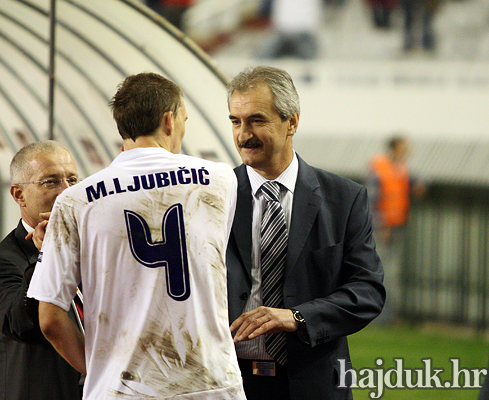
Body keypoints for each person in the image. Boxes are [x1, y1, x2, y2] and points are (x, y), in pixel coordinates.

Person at [27, 72, 246, 400]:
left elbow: (50, 319)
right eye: (184, 119)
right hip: (212, 386)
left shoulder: (75, 200)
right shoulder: (220, 178)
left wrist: (100, 370)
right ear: (169, 120)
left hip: (121, 390)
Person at [225, 66, 385, 399]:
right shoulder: (213, 196)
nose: (243, 135)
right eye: (235, 121)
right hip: (229, 383)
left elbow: (367, 291)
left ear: (292, 121)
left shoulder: (344, 198)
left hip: (314, 383)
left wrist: (297, 316)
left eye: (257, 120)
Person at [0, 140, 82, 400]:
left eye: (72, 179)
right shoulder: (2, 261)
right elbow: (23, 323)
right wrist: (47, 257)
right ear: (18, 194)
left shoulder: (90, 250)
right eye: (51, 181)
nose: (67, 191)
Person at [367, 135, 424, 325]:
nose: (407, 151)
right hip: (383, 229)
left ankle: (388, 316)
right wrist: (381, 225)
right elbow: (372, 199)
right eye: (404, 147)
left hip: (397, 226)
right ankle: (380, 317)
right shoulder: (380, 168)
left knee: (393, 273)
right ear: (393, 148)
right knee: (383, 272)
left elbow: (417, 182)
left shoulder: (401, 169)